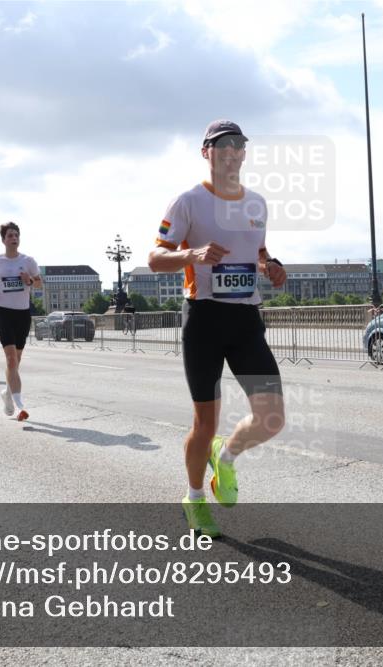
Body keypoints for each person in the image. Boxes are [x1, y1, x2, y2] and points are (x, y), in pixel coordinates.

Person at [148, 120, 287, 537]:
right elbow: (156, 257)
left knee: (272, 417)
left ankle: (223, 459)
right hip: (204, 319)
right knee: (204, 422)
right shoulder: (188, 202)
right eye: (221, 145)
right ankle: (194, 500)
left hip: (246, 320)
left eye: (237, 144)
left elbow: (259, 252)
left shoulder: (257, 205)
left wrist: (271, 267)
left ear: (244, 153)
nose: (230, 151)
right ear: (206, 152)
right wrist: (193, 252)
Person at [0, 221, 41, 421]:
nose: (14, 238)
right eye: (10, 235)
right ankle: (20, 406)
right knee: (10, 359)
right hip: (4, 313)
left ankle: (7, 394)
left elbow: (40, 283)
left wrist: (30, 280)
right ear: (3, 240)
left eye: (16, 235)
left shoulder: (28, 261)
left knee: (16, 362)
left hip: (23, 314)